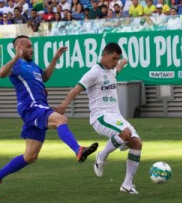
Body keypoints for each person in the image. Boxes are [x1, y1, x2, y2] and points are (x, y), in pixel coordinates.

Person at [0, 35, 98, 198]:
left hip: (38, 108)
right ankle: (78, 150)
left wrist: (55, 59)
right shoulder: (16, 64)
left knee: (30, 157)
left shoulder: (32, 66)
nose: (32, 49)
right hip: (31, 108)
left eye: (32, 47)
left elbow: (45, 76)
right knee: (61, 119)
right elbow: (2, 73)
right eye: (29, 46)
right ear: (19, 46)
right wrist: (15, 57)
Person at [55, 43, 142, 194]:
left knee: (137, 143)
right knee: (126, 133)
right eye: (114, 58)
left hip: (115, 116)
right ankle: (101, 157)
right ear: (105, 55)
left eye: (117, 59)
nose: (115, 62)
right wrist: (63, 105)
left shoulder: (111, 70)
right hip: (100, 116)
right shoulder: (94, 73)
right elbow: (77, 89)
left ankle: (127, 185)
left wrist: (122, 63)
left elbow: (116, 70)